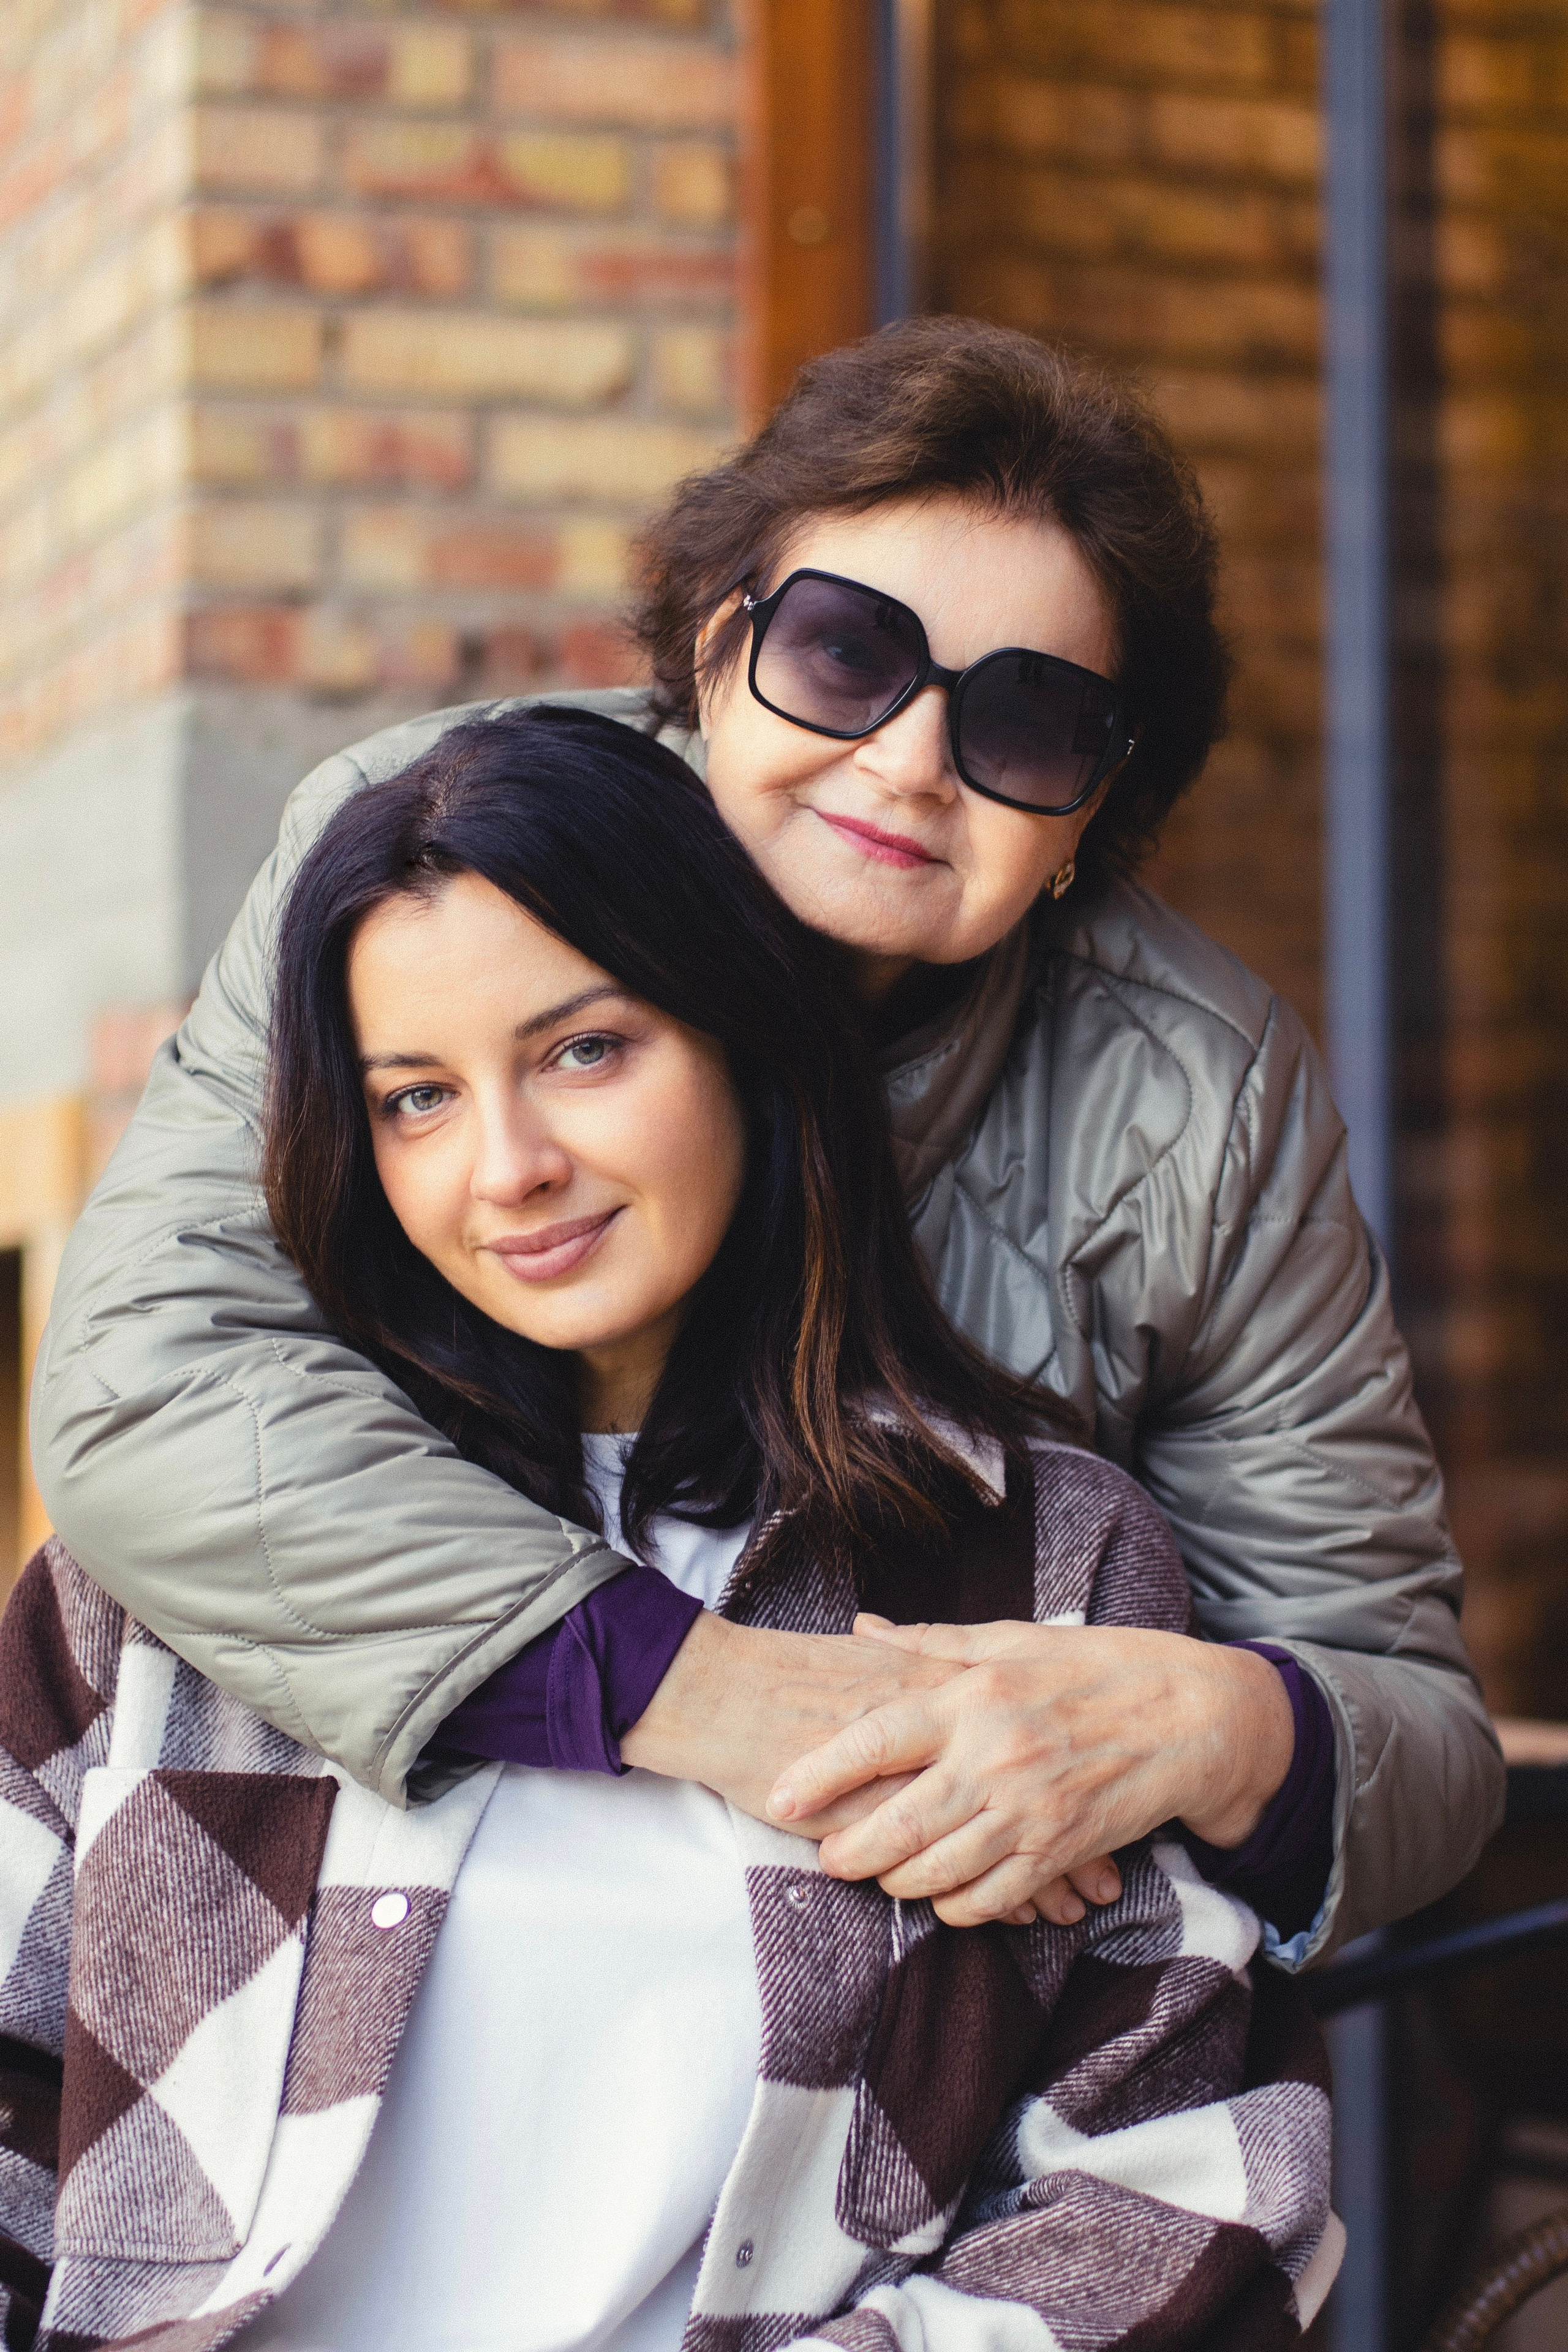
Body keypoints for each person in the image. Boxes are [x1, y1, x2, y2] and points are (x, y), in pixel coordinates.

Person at [31, 318, 1501, 1970]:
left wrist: (1213, 1723)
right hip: (387, 1927)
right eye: (846, 654)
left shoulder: (1202, 1098)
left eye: (1025, 725)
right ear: (714, 643)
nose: (909, 762)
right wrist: (720, 1696)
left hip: (918, 2016)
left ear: (1097, 809)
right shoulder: (436, 852)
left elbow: (1417, 1736)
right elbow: (151, 1377)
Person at [0, 712, 1340, 2352]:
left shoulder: (1042, 1568)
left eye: (585, 1051)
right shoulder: (186, 1571)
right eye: (416, 1098)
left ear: (743, 1039)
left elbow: (1180, 2193)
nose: (510, 1169)